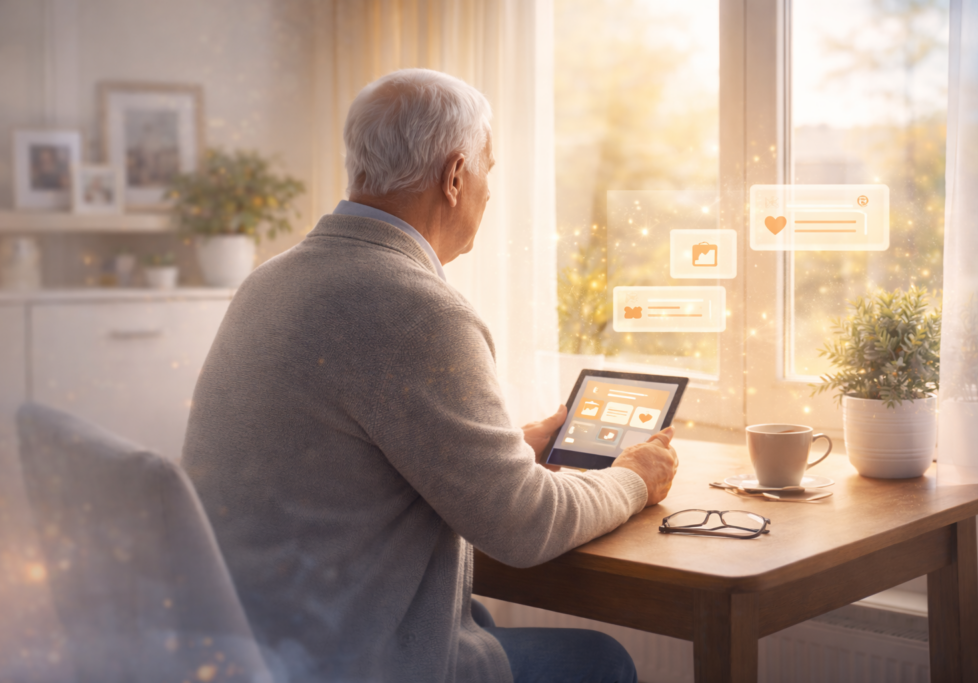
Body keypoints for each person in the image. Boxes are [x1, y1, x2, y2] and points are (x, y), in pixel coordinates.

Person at [182, 68, 678, 683]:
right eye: (488, 170)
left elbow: (349, 462)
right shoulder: (415, 308)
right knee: (602, 662)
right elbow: (525, 527)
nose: (489, 193)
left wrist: (512, 448)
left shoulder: (273, 279)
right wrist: (634, 478)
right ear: (453, 176)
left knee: (484, 625)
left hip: (260, 644)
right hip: (351, 661)